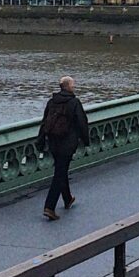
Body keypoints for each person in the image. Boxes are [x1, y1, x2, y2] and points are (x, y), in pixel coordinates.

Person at [36, 75, 90, 221]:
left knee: (61, 169)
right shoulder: (74, 103)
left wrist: (40, 141)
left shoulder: (52, 102)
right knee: (59, 173)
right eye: (73, 85)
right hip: (68, 143)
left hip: (53, 142)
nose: (74, 87)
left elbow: (44, 122)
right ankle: (49, 207)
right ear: (68, 87)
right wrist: (86, 140)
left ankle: (67, 199)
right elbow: (82, 123)